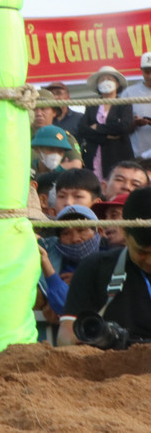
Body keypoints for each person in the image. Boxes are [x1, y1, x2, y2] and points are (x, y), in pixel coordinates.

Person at [57, 187, 151, 346]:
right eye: (142, 252)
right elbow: (66, 334)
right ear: (125, 231)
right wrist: (85, 339)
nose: (149, 261)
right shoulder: (95, 268)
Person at [38, 204, 102, 317]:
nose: (75, 239)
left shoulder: (112, 258)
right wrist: (46, 264)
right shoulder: (62, 265)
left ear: (99, 232)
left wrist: (83, 281)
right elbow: (66, 306)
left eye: (81, 230)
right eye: (66, 233)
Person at [78, 65, 134, 180]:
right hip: (94, 156)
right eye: (102, 79)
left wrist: (97, 127)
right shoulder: (91, 105)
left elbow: (125, 126)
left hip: (118, 155)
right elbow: (83, 129)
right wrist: (106, 136)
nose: (105, 82)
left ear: (117, 84)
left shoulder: (124, 104)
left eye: (109, 79)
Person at [33, 91, 84, 170]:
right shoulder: (18, 135)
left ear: (54, 112)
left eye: (43, 109)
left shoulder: (63, 136)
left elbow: (76, 165)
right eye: (34, 109)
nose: (38, 113)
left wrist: (49, 172)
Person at [121, 51, 151, 158]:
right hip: (138, 155)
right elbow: (120, 125)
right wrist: (134, 123)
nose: (150, 76)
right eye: (147, 72)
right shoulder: (128, 93)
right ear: (141, 71)